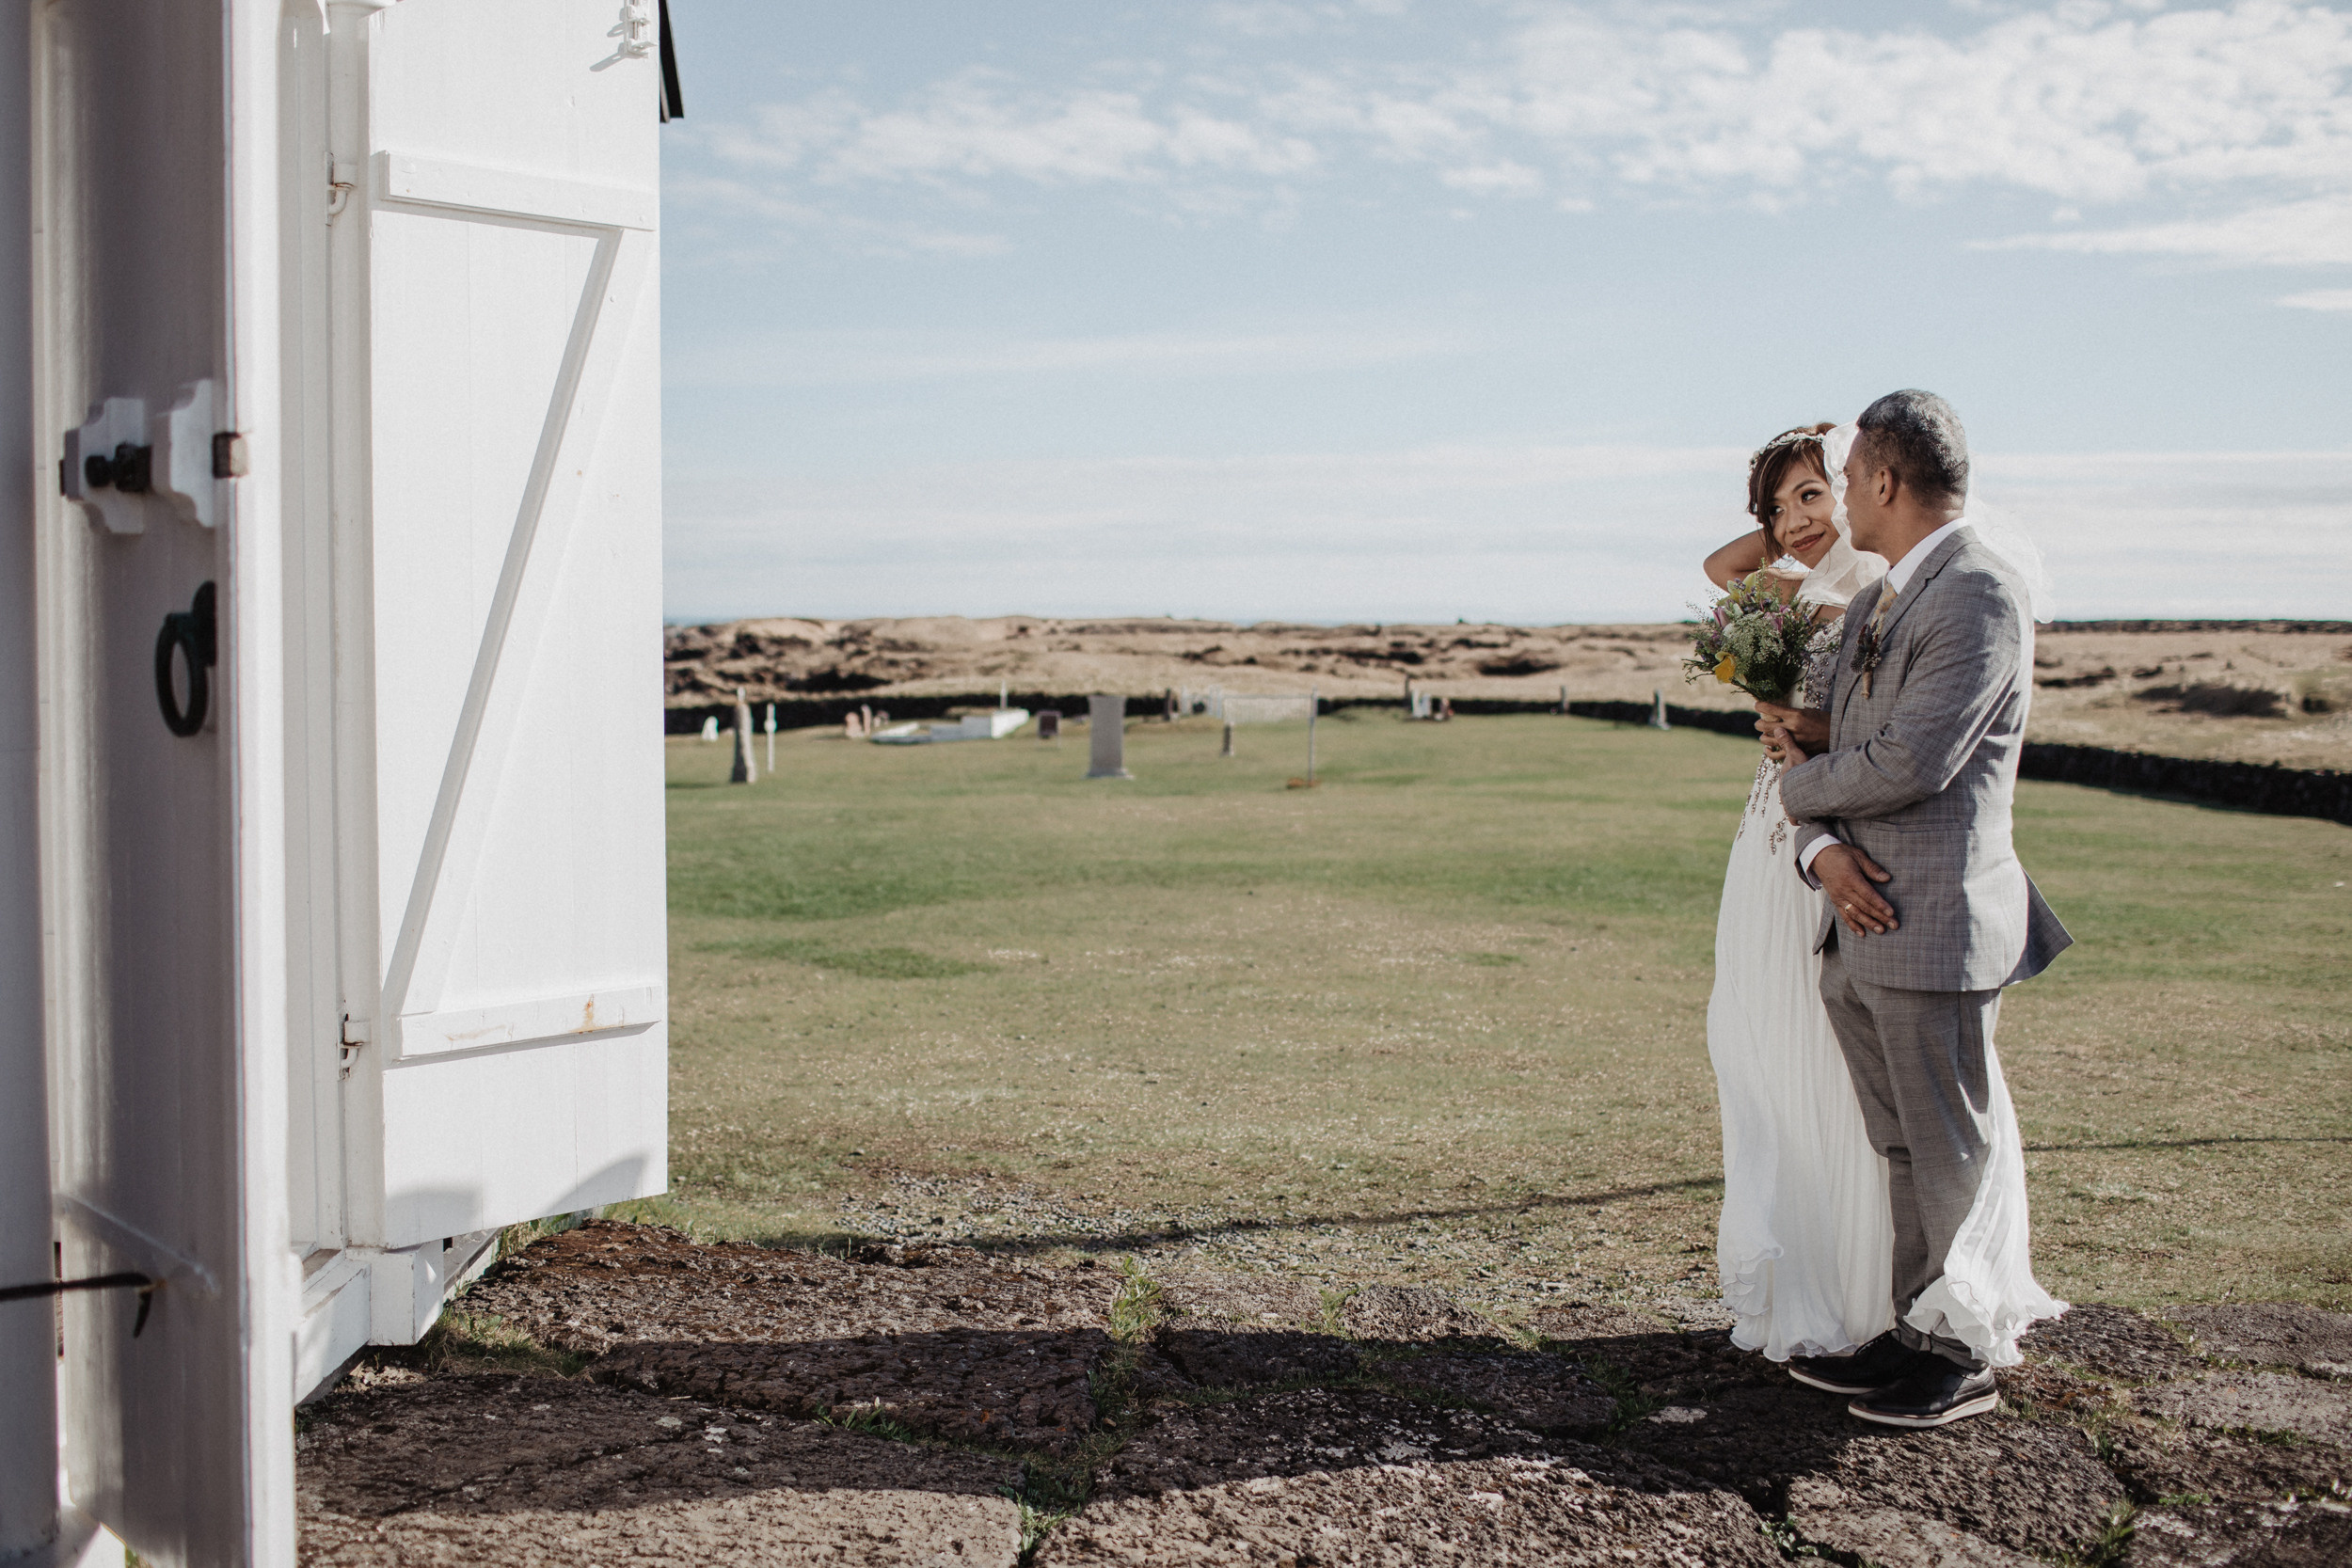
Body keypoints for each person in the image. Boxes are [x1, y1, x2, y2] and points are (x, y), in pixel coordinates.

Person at [1764, 389, 2068, 1429]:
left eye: (1848, 476)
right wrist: (1821, 847)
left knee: (1948, 1145)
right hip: (1854, 913)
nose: (1841, 494)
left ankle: (1966, 1347)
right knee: (1899, 1142)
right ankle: (1916, 1326)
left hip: (1934, 921)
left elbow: (1910, 758)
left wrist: (1793, 792)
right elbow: (1830, 742)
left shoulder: (1979, 590)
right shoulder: (1874, 603)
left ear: (1887, 480)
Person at [1699, 423, 1896, 1369]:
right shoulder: (1802, 588)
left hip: (1827, 836)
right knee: (1755, 1037)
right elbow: (1719, 562)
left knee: (1823, 1048)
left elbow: (1866, 726)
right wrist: (1793, 515)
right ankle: (1797, 1253)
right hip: (1766, 823)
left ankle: (1854, 1281)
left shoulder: (1877, 584)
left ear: (1862, 489)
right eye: (1777, 504)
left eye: (1810, 494)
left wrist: (1794, 720)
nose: (1792, 519)